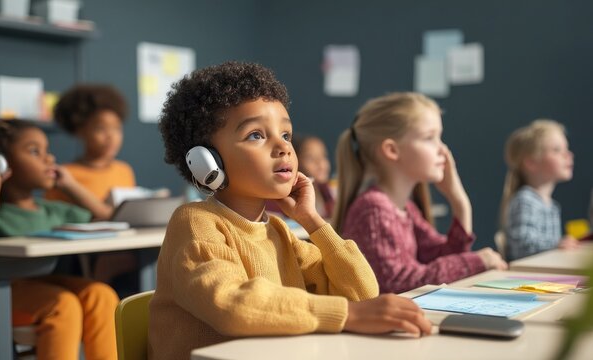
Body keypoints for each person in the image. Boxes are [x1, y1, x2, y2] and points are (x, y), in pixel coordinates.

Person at [149, 62, 432, 360]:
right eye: (256, 135)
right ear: (206, 161)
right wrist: (347, 315)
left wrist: (312, 221)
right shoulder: (195, 223)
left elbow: (362, 292)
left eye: (285, 135)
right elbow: (233, 305)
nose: (283, 147)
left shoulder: (280, 232)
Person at [0, 119, 119, 360]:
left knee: (101, 295)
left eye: (47, 150)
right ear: (1, 162)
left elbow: (106, 216)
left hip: (48, 284)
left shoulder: (52, 210)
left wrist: (70, 185)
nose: (48, 158)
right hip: (3, 289)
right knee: (63, 305)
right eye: (34, 151)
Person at [333, 92, 507, 294]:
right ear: (392, 150)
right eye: (429, 138)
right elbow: (398, 284)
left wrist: (459, 202)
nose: (443, 149)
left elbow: (446, 257)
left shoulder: (404, 207)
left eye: (439, 137)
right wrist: (477, 261)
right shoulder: (374, 209)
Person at [44, 84, 137, 284]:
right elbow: (55, 222)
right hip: (82, 262)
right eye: (100, 128)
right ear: (80, 131)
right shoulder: (65, 176)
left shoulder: (124, 170)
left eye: (116, 128)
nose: (111, 136)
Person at [500, 119, 577, 261]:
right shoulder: (525, 200)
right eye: (557, 150)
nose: (568, 155)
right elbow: (522, 247)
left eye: (567, 149)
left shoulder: (552, 205)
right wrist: (556, 245)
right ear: (531, 162)